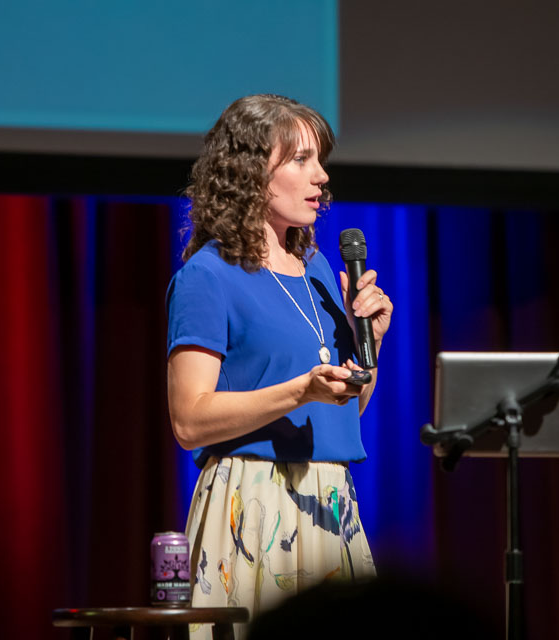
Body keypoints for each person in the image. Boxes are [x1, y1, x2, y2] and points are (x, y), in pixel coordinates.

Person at [166, 94, 392, 636]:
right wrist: (299, 391)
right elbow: (189, 421)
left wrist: (373, 345)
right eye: (301, 159)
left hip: (329, 502)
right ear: (250, 172)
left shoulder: (319, 269)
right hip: (253, 503)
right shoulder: (208, 276)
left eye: (321, 160)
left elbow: (345, 410)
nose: (322, 176)